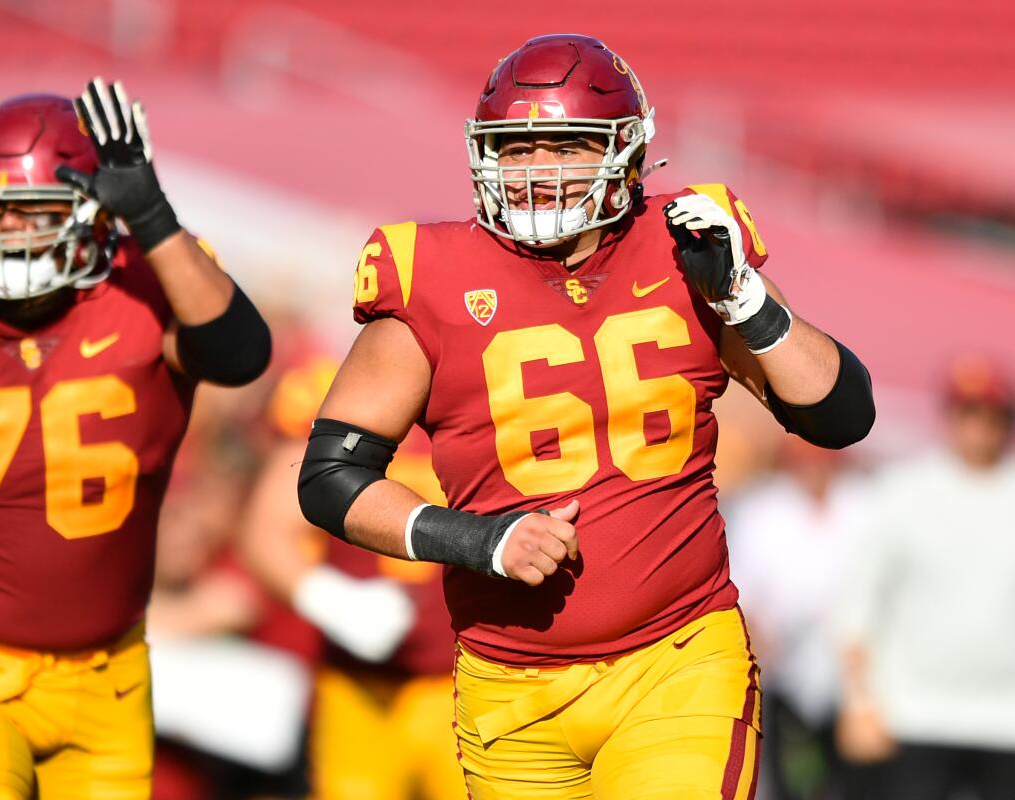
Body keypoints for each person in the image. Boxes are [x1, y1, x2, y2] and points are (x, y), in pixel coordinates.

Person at [296, 33, 875, 799]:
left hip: (677, 659)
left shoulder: (686, 248)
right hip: (510, 687)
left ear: (625, 154)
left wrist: (747, 300)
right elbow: (332, 477)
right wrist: (475, 539)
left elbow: (841, 415)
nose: (536, 171)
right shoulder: (431, 275)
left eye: (563, 146)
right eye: (516, 148)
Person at [0, 79, 271, 798]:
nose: (12, 231)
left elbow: (241, 354)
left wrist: (154, 219)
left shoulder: (150, 286)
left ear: (96, 215)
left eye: (34, 210)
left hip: (107, 673)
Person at [241, 355, 466, 800]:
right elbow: (267, 530)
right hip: (358, 687)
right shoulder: (330, 388)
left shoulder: (490, 374)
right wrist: (333, 600)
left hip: (475, 677)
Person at [837, 356, 1015, 800]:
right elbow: (857, 602)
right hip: (914, 713)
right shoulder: (902, 491)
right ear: (950, 417)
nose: (979, 426)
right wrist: (858, 702)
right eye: (968, 412)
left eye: (991, 414)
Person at [726, 440, 870, 799]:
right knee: (790, 776)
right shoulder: (762, 509)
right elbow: (744, 587)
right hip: (784, 669)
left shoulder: (864, 504)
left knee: (853, 780)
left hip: (855, 672)